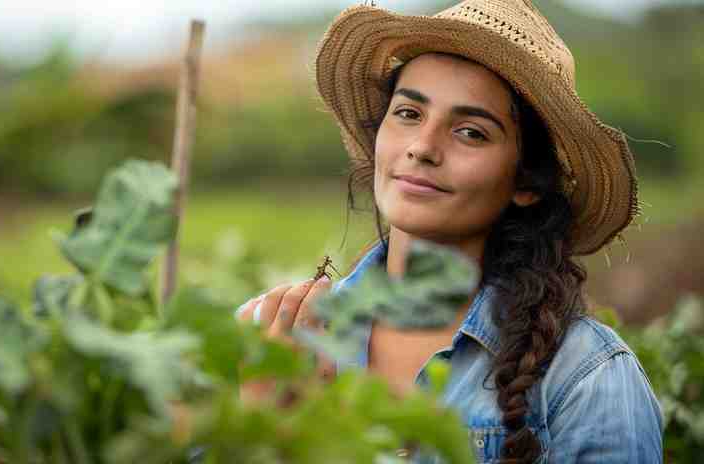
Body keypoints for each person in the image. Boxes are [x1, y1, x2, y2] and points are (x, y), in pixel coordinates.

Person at [235, 0, 663, 462]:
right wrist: (259, 423)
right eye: (408, 114)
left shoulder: (586, 377)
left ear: (525, 183)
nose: (422, 147)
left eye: (471, 132)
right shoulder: (271, 335)